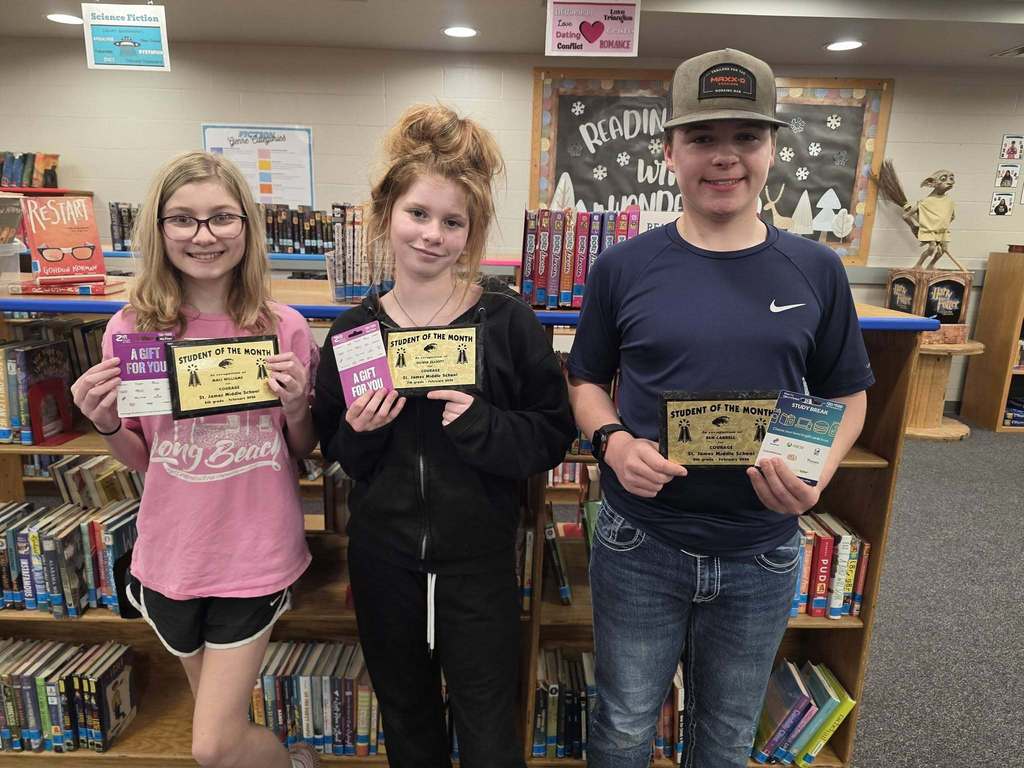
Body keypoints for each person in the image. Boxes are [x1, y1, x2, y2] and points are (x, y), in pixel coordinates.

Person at [567, 49, 874, 768]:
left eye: (746, 137)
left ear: (772, 150)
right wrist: (610, 440)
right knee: (621, 726)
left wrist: (818, 476)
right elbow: (584, 380)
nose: (725, 158)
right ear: (670, 150)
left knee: (728, 737)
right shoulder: (622, 267)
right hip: (640, 542)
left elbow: (847, 396)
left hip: (762, 547)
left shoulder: (817, 269)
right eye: (704, 138)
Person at [312, 104, 575, 767]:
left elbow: (551, 433)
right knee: (406, 715)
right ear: (386, 216)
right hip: (385, 560)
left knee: (489, 724)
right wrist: (361, 432)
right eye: (418, 215)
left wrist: (485, 427)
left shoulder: (508, 322)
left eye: (452, 222)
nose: (432, 235)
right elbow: (338, 451)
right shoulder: (353, 332)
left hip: (478, 561)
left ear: (472, 231)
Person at [70, 151, 320, 768]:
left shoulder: (281, 325)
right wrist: (104, 424)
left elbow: (301, 449)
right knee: (225, 726)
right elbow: (141, 457)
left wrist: (294, 408)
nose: (203, 236)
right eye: (182, 220)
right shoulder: (133, 329)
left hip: (254, 552)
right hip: (171, 558)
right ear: (158, 230)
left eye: (221, 218)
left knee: (213, 746)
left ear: (246, 227)